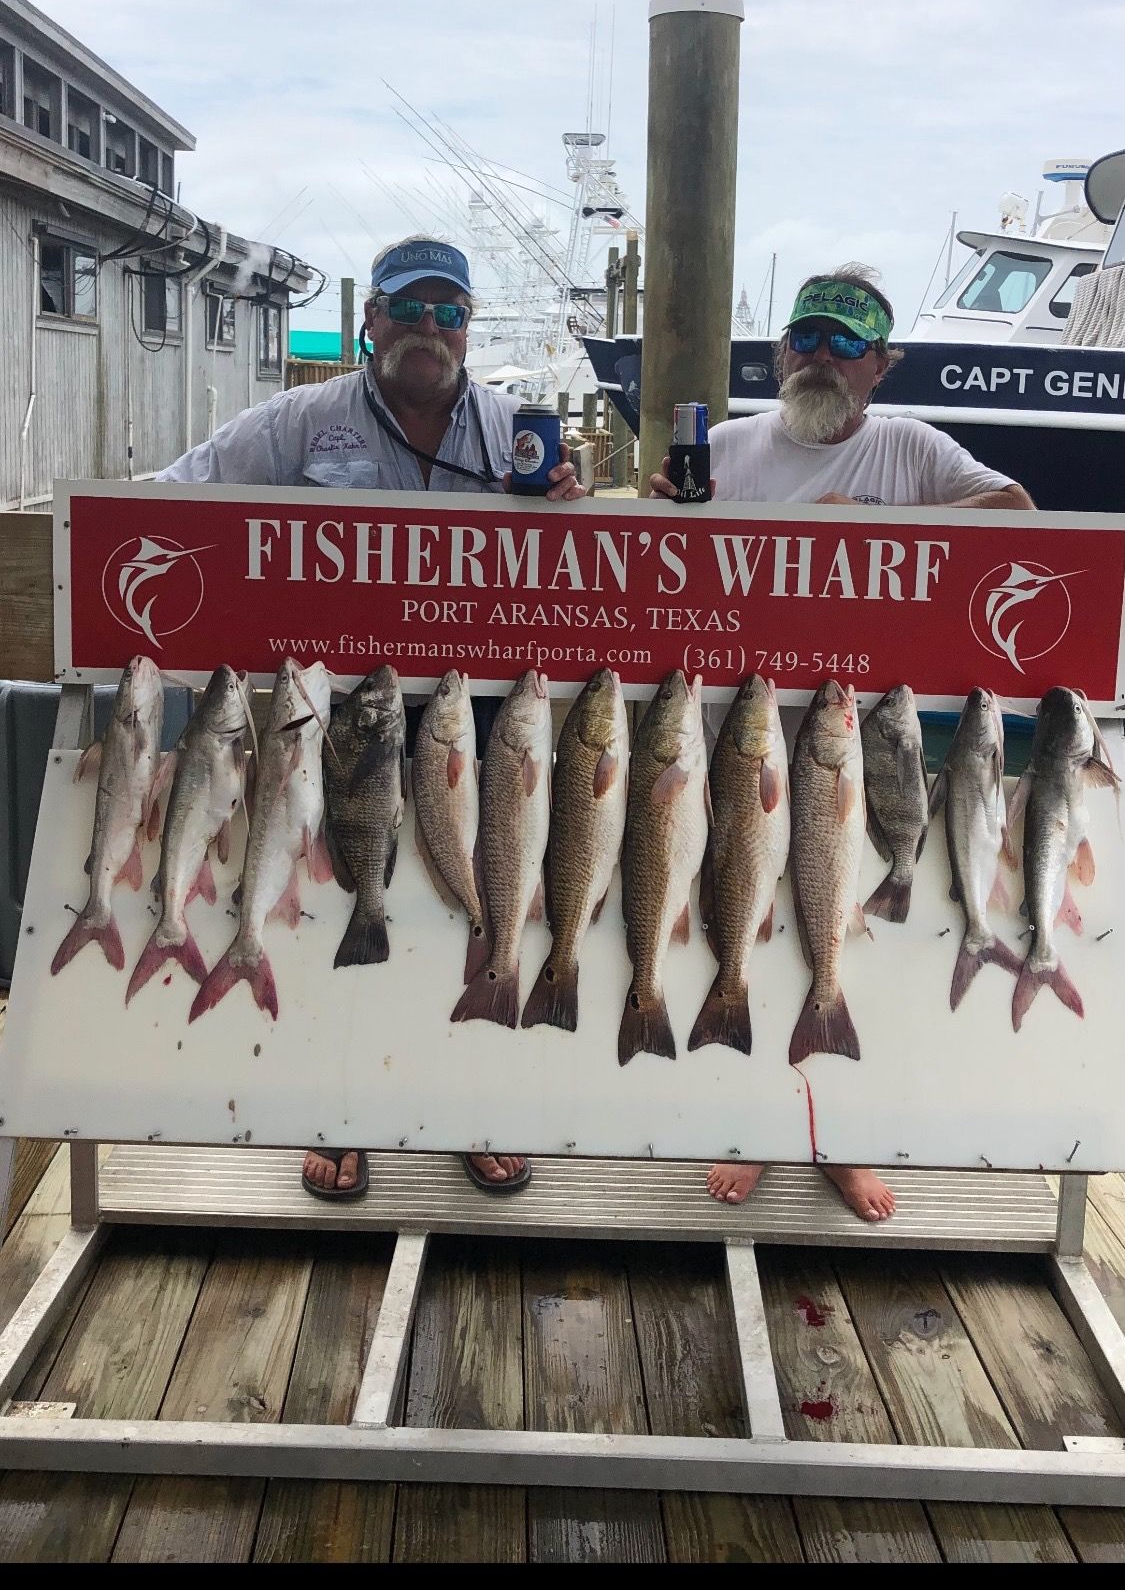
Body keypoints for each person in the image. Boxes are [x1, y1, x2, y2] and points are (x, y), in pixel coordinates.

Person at [158, 233, 585, 1202]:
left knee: (478, 903)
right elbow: (174, 503)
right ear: (371, 320)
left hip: (473, 723)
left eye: (450, 314)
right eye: (409, 309)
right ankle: (338, 1112)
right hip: (336, 722)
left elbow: (579, 571)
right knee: (335, 905)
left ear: (470, 331)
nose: (428, 331)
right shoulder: (300, 424)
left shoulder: (519, 430)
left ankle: (474, 1105)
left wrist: (570, 507)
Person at [650, 263, 1033, 1223]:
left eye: (846, 344)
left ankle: (836, 1141)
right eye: (807, 339)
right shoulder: (726, 448)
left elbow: (1018, 511)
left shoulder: (910, 450)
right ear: (781, 353)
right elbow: (655, 571)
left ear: (880, 365)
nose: (822, 357)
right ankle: (749, 1131)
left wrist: (882, 525)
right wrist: (662, 513)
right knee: (737, 928)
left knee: (843, 940)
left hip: (853, 757)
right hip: (734, 746)